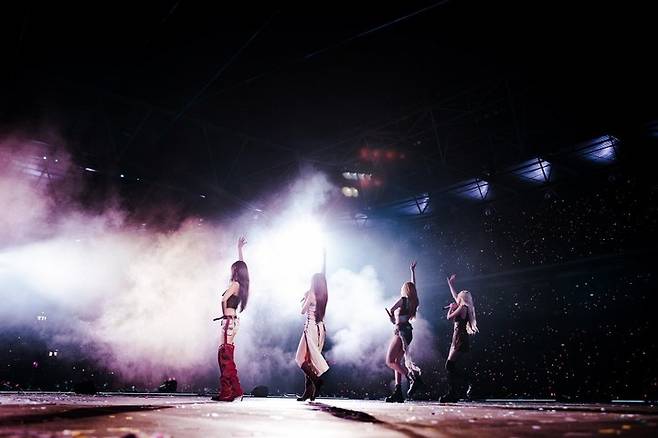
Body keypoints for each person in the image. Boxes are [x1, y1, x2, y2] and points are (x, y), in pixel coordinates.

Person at [212, 236, 249, 402]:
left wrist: (223, 314)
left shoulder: (235, 284)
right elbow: (243, 266)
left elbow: (223, 299)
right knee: (226, 355)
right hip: (232, 321)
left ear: (235, 271)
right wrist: (239, 250)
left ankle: (228, 391)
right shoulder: (242, 284)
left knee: (224, 356)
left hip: (229, 320)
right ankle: (234, 390)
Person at [384, 261, 423, 403]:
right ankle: (398, 392)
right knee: (397, 362)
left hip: (400, 332)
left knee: (389, 361)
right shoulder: (414, 301)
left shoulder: (403, 300)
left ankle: (413, 377)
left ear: (405, 290)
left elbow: (392, 309)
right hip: (408, 332)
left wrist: (392, 318)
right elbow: (414, 287)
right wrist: (412, 272)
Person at [295, 249, 329, 401]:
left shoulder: (311, 294)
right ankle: (308, 392)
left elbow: (302, 311)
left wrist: (304, 299)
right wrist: (324, 258)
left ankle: (317, 381)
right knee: (309, 361)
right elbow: (323, 276)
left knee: (300, 359)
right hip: (320, 329)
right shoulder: (323, 294)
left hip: (310, 328)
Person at [439, 273, 478, 403]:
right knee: (450, 366)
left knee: (449, 365)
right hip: (457, 337)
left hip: (460, 337)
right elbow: (454, 295)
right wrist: (450, 284)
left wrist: (450, 308)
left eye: (459, 297)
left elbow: (449, 317)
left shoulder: (462, 307)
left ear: (462, 299)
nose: (457, 299)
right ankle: (456, 390)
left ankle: (458, 389)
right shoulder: (463, 306)